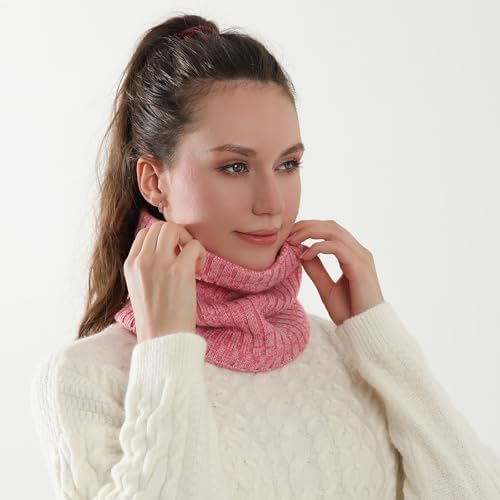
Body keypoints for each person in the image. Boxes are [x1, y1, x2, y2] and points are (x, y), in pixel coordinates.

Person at [29, 13, 500, 499]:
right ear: (154, 182)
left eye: (288, 164)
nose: (272, 203)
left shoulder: (348, 351)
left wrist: (378, 337)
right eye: (235, 167)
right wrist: (167, 349)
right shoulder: (86, 378)